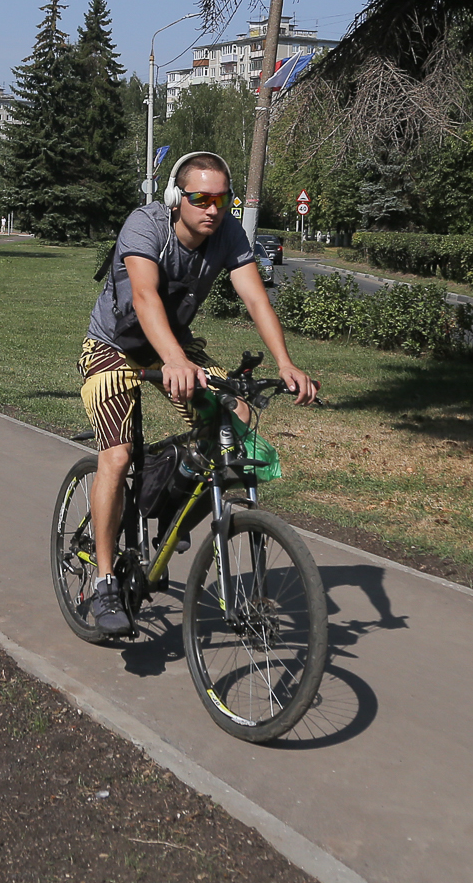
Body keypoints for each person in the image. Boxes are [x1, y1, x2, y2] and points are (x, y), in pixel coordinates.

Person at [76, 151, 318, 635]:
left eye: (221, 199)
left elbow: (254, 296)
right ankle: (104, 581)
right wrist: (172, 360)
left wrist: (286, 363)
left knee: (239, 416)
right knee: (118, 457)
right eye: (200, 198)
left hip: (176, 350)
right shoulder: (146, 226)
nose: (212, 208)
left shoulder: (228, 234)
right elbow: (144, 297)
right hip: (113, 349)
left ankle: (174, 508)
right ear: (176, 198)